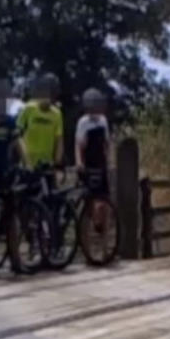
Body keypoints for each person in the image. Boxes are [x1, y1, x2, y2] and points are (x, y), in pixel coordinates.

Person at [75, 87, 111, 234]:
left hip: (100, 164)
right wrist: (79, 162)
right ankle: (89, 234)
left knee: (103, 200)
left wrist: (108, 160)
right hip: (88, 165)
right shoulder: (83, 122)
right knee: (89, 201)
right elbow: (79, 144)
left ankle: (101, 228)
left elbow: (106, 143)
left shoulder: (103, 121)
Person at [17, 73, 63, 172]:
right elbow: (18, 135)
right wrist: (26, 160)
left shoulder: (57, 113)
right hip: (28, 165)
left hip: (47, 165)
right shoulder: (28, 108)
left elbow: (59, 139)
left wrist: (57, 161)